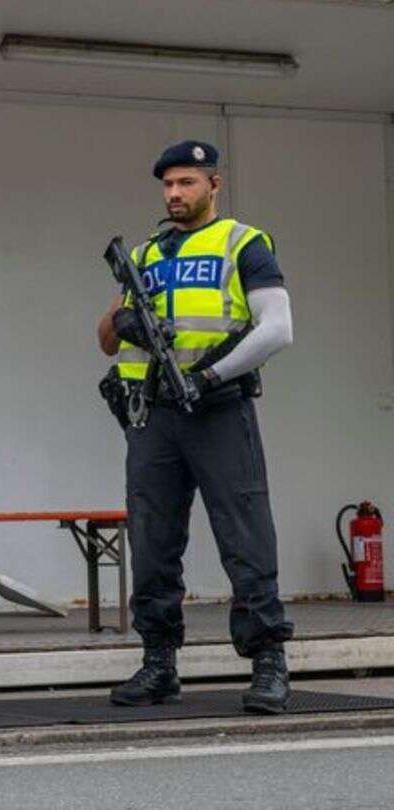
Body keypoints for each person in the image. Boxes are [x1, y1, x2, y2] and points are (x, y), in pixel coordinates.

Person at [96, 140, 296, 713]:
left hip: (217, 408)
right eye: (168, 184)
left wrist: (211, 377)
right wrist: (123, 317)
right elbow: (104, 339)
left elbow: (277, 328)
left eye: (187, 182)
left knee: (245, 534)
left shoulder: (243, 242)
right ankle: (159, 664)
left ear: (214, 185)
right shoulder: (147, 253)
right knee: (153, 540)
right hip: (153, 414)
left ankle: (268, 664)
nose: (175, 193)